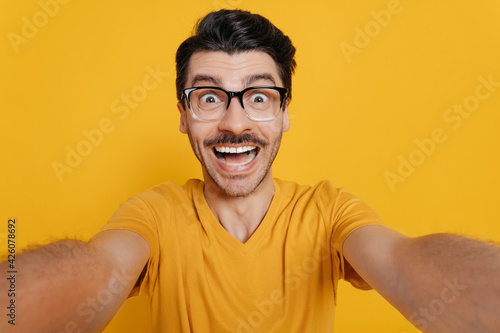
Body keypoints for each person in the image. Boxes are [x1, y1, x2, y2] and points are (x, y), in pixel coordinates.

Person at [1, 9, 500, 333]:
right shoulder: (156, 213)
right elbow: (96, 270)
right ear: (183, 115)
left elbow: (401, 263)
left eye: (259, 97)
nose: (234, 122)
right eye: (210, 97)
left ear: (285, 112)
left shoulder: (327, 212)